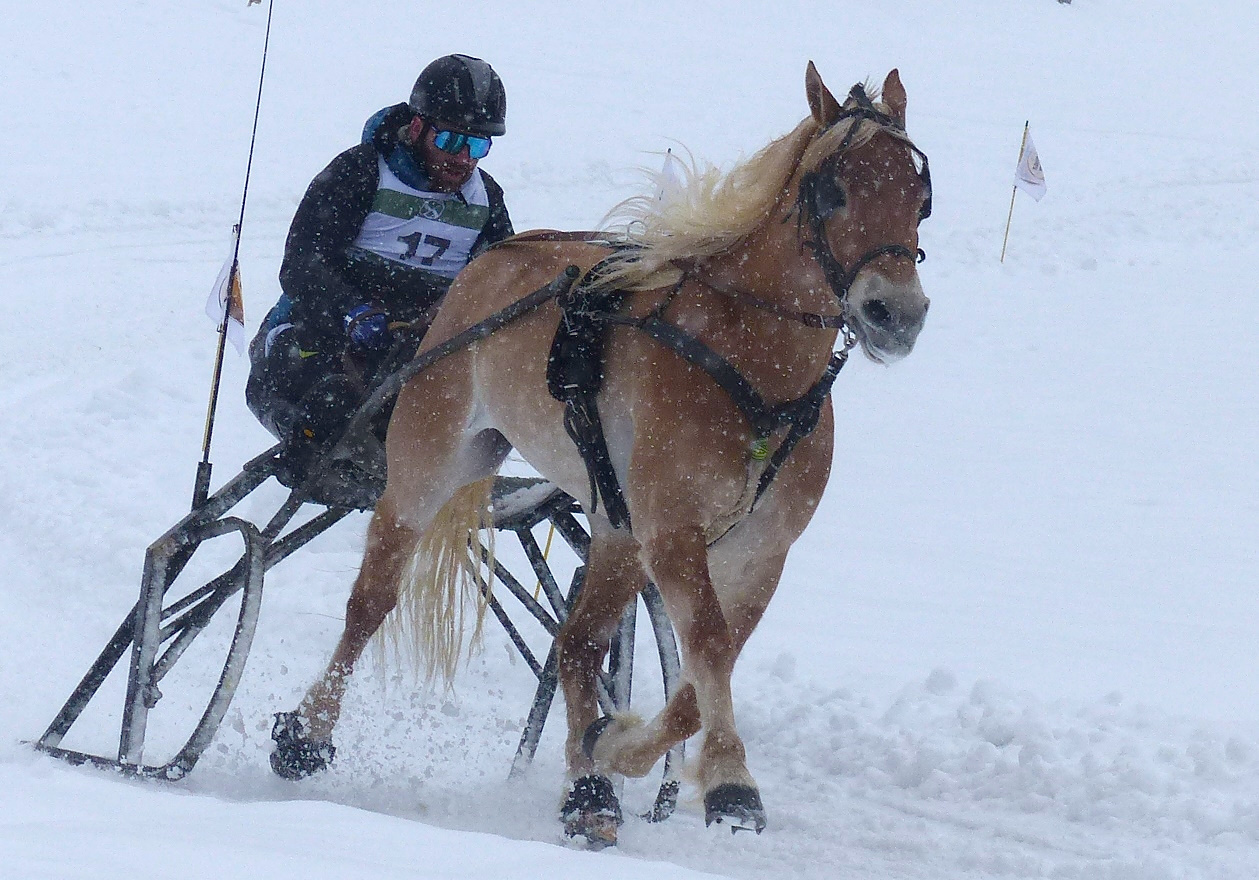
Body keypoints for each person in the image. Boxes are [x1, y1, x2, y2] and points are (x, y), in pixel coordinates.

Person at [246, 54, 514, 508]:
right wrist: (352, 312)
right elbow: (302, 265)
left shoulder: (485, 199)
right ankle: (318, 462)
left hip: (415, 357)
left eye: (477, 146)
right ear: (417, 128)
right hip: (316, 343)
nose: (462, 158)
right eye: (450, 140)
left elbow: (499, 282)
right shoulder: (360, 173)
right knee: (330, 399)